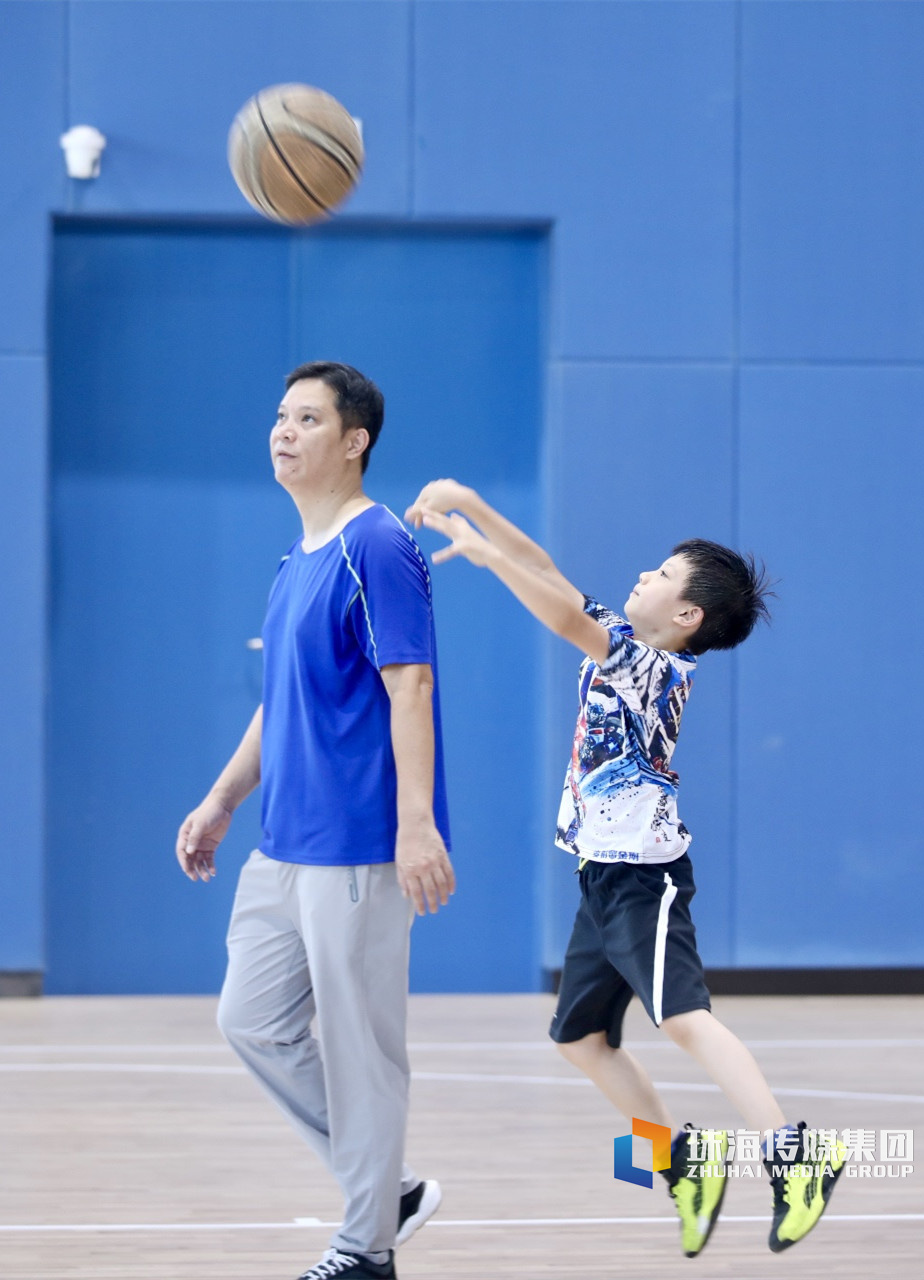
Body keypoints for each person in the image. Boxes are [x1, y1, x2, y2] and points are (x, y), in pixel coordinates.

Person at [405, 478, 847, 1259]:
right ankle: (684, 1166)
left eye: (663, 574)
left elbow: (558, 610)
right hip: (600, 878)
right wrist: (475, 511)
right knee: (579, 1038)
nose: (643, 575)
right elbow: (546, 569)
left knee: (682, 1018)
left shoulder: (657, 669)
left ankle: (794, 1154)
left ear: (688, 618)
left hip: (646, 878)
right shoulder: (629, 642)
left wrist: (480, 557)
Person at [176, 363, 455, 1280]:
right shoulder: (297, 556)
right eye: (280, 416)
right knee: (249, 1018)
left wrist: (417, 826)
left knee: (359, 1048)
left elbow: (408, 682)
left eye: (306, 417)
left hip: (361, 841)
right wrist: (222, 799)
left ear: (354, 439)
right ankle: (391, 1190)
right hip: (282, 842)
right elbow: (278, 703)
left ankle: (366, 1246)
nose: (283, 431)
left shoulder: (376, 546)